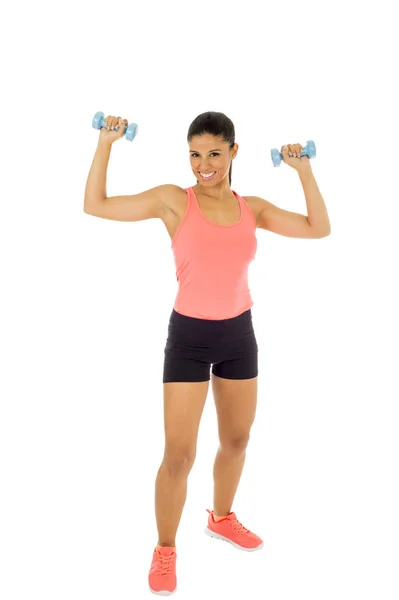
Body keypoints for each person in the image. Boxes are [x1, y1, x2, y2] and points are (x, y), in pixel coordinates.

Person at [84, 111, 331, 595]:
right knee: (179, 454)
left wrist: (304, 170)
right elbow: (95, 204)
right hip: (190, 338)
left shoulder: (252, 208)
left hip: (239, 334)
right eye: (195, 154)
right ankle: (165, 549)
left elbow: (318, 228)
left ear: (234, 152)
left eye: (214, 153)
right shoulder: (173, 201)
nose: (203, 164)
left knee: (237, 440)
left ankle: (221, 518)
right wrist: (106, 142)